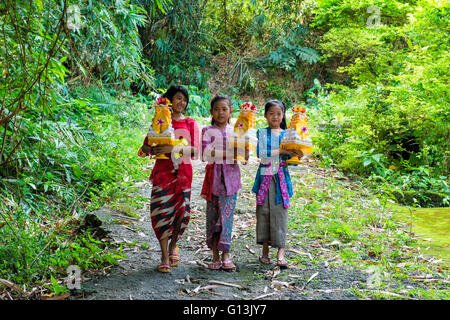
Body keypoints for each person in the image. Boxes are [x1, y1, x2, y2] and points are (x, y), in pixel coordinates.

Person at [138, 85, 199, 273]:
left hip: (183, 175)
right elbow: (145, 147)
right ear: (169, 100)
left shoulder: (190, 123)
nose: (181, 102)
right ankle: (164, 255)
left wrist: (172, 149)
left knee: (183, 213)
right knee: (161, 213)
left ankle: (174, 245)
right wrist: (152, 150)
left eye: (184, 99)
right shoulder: (160, 120)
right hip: (162, 175)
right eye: (178, 98)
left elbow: (196, 150)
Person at [251, 100, 303, 269]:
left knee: (280, 214)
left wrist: (296, 155)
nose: (275, 116)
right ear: (265, 115)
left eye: (278, 114)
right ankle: (265, 252)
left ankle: (281, 252)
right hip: (265, 176)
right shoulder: (262, 132)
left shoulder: (288, 134)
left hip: (281, 178)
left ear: (283, 116)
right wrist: (282, 151)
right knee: (264, 212)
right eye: (271, 113)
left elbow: (292, 161)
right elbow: (261, 153)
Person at [200, 95, 248, 271]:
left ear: (230, 112)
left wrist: (244, 153)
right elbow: (206, 155)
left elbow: (242, 156)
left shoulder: (237, 131)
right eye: (217, 109)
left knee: (227, 217)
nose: (221, 113)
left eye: (224, 109)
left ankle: (226, 255)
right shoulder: (206, 130)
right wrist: (229, 153)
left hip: (231, 180)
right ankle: (214, 255)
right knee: (213, 217)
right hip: (213, 180)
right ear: (211, 111)